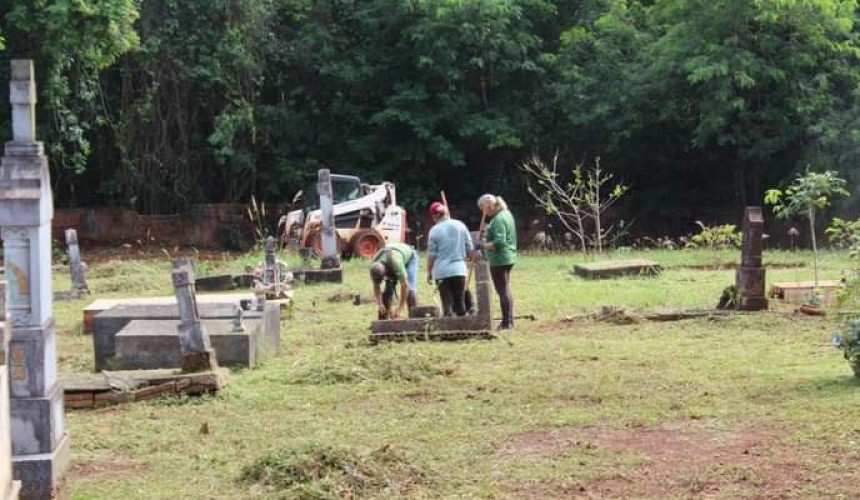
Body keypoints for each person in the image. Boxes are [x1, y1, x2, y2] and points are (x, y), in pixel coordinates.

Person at [476, 194, 517, 330]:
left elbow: (499, 242)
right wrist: (486, 235)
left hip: (500, 259)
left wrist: (482, 245)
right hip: (508, 256)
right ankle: (509, 320)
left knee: (502, 290)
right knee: (505, 289)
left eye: (483, 209)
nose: (484, 213)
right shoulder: (506, 213)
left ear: (489, 205)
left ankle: (506, 323)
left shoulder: (498, 219)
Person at [426, 201, 474, 316]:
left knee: (447, 305)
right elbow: (470, 247)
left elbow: (432, 255)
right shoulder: (460, 225)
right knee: (460, 304)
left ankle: (448, 329)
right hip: (459, 270)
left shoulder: (434, 230)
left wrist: (429, 272)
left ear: (435, 215)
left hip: (442, 272)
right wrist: (469, 260)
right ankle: (464, 330)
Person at [369, 242, 418, 319]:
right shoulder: (373, 266)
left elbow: (405, 285)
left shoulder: (396, 263)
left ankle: (415, 318)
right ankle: (383, 320)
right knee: (388, 291)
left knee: (411, 290)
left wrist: (400, 308)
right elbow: (376, 286)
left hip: (409, 258)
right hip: (391, 259)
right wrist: (380, 303)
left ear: (385, 271)